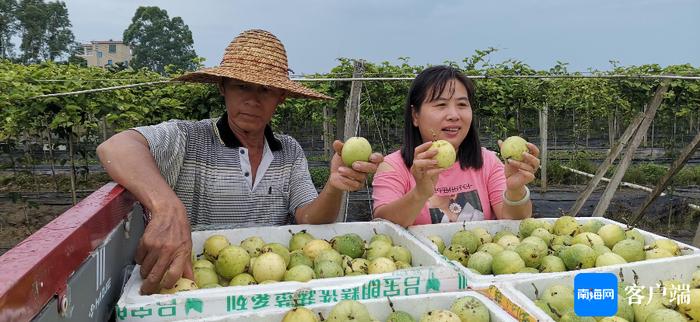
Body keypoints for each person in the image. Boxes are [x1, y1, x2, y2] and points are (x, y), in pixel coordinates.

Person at [97, 29, 383, 294]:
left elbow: (308, 219)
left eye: (266, 90)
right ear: (223, 87)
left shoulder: (289, 151)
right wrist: (167, 206)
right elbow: (117, 146)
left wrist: (334, 187)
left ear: (281, 97)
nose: (252, 100)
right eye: (241, 86)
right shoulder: (189, 138)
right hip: (195, 288)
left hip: (269, 289)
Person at [372, 65, 540, 227]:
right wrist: (420, 193)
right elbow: (384, 226)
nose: (454, 115)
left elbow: (513, 223)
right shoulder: (393, 167)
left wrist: (516, 190)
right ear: (415, 115)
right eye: (441, 105)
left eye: (462, 105)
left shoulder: (487, 162)